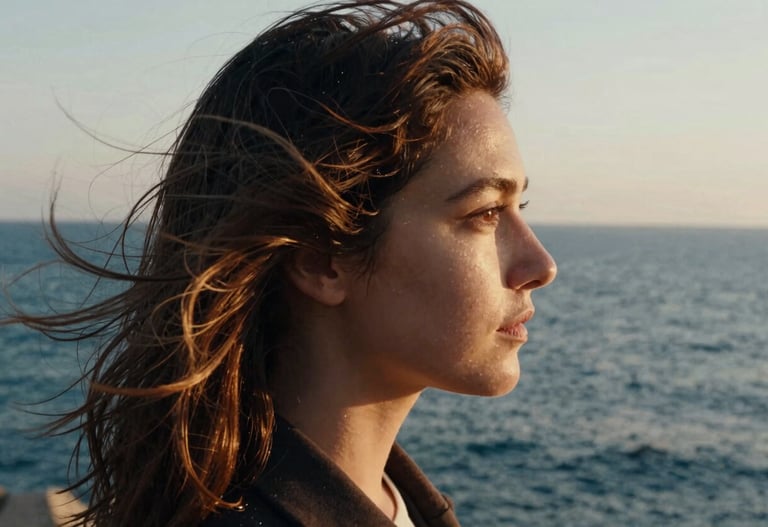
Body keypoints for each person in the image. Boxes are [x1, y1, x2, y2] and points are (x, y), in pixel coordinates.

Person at [3, 1, 556, 525]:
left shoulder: (394, 499)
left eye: (518, 207)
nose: (539, 263)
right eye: (485, 212)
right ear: (321, 259)